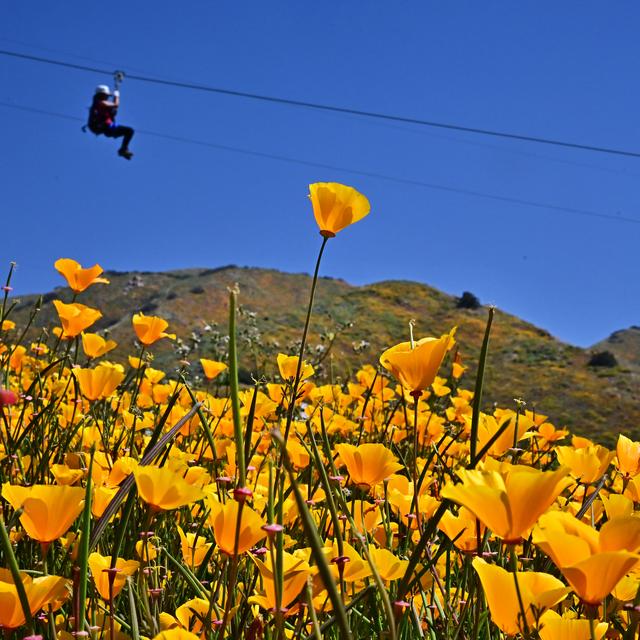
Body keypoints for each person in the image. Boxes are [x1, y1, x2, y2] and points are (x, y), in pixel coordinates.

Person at [87, 84, 135, 159]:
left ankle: (123, 149)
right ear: (102, 95)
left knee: (129, 131)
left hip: (108, 126)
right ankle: (123, 149)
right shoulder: (100, 102)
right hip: (106, 127)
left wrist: (113, 111)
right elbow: (116, 104)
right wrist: (117, 95)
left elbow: (112, 110)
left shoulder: (100, 104)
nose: (107, 97)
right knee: (129, 131)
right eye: (106, 95)